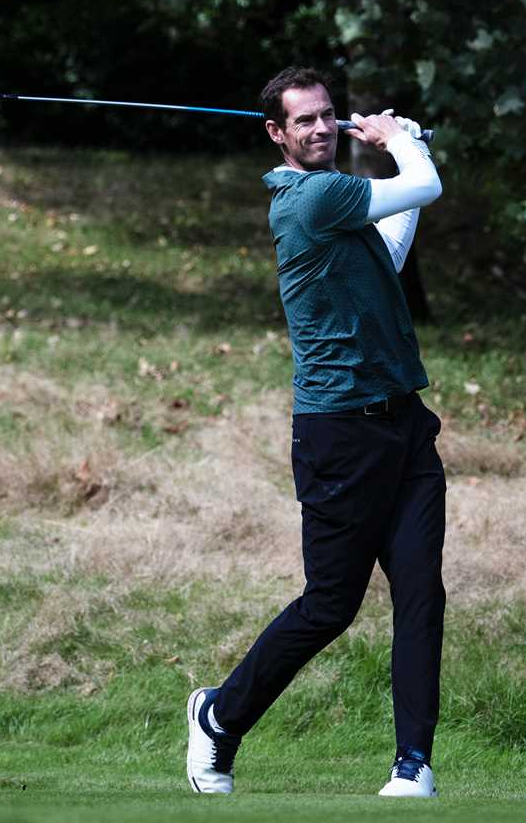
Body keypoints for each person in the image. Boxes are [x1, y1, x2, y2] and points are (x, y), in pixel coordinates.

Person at [186, 66, 446, 798]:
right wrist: (402, 143)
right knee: (332, 605)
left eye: (328, 115)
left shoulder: (338, 209)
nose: (322, 128)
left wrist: (405, 151)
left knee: (421, 592)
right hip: (338, 435)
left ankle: (412, 764)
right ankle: (218, 717)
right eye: (304, 120)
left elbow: (389, 252)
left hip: (403, 427)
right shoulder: (313, 197)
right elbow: (423, 187)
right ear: (276, 133)